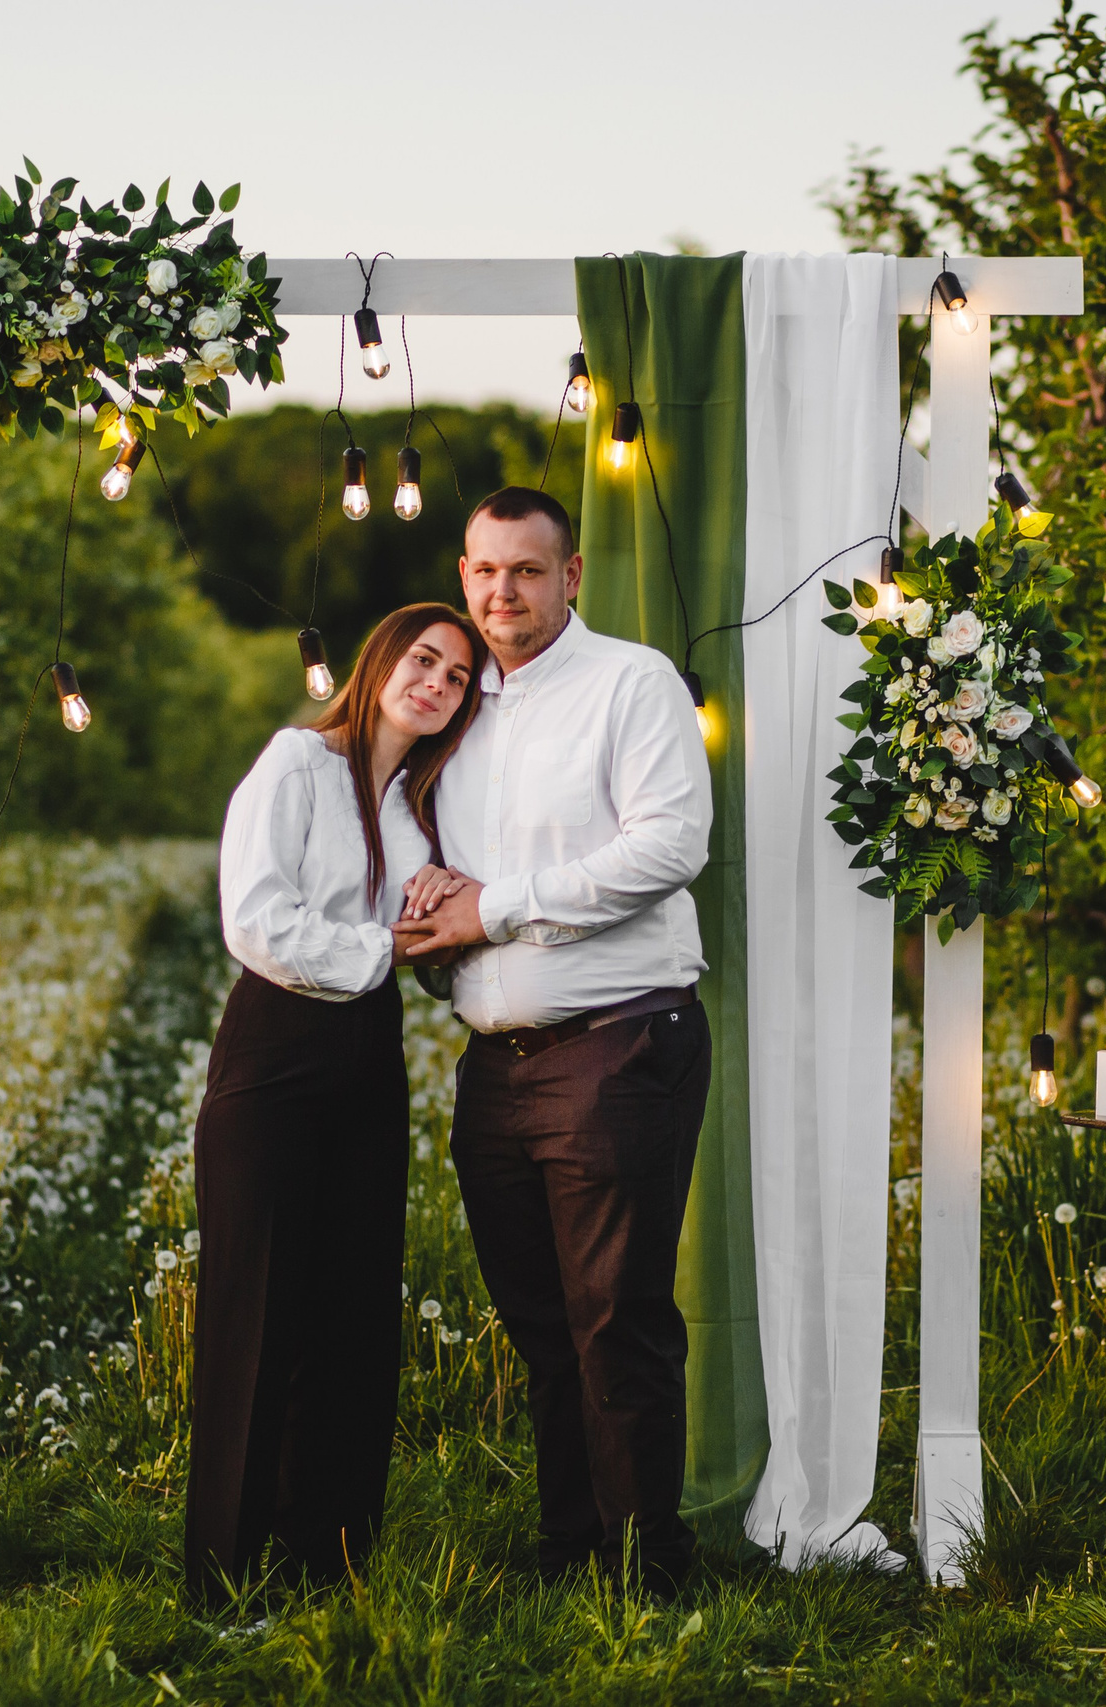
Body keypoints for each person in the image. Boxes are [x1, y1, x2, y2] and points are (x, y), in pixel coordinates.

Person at [391, 486, 714, 1597]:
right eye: (483, 571)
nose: (500, 593)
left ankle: (648, 1566)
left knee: (616, 1318)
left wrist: (495, 906)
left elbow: (671, 844)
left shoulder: (632, 683)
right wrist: (425, 916)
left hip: (620, 1046)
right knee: (538, 1324)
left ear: (569, 577)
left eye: (526, 571)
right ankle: (570, 1546)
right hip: (495, 1065)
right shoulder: (453, 701)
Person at [185, 601, 485, 1610]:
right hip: (274, 1050)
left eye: (455, 678)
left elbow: (429, 936)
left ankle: (329, 1562)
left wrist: (443, 905)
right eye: (424, 658)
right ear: (384, 655)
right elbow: (257, 919)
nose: (435, 683)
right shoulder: (296, 763)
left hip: (367, 1058)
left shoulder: (411, 809)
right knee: (255, 1313)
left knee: (355, 1313)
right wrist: (384, 947)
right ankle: (221, 1579)